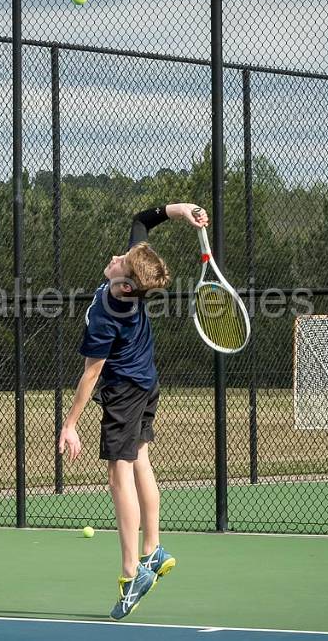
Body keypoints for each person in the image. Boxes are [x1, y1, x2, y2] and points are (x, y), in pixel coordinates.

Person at [58, 202, 208, 620]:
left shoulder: (107, 315)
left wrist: (70, 424)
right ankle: (153, 550)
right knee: (140, 459)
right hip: (147, 383)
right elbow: (142, 221)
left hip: (124, 392)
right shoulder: (134, 275)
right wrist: (183, 211)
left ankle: (130, 574)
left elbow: (91, 376)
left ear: (127, 286)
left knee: (119, 473)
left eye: (120, 261)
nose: (115, 258)